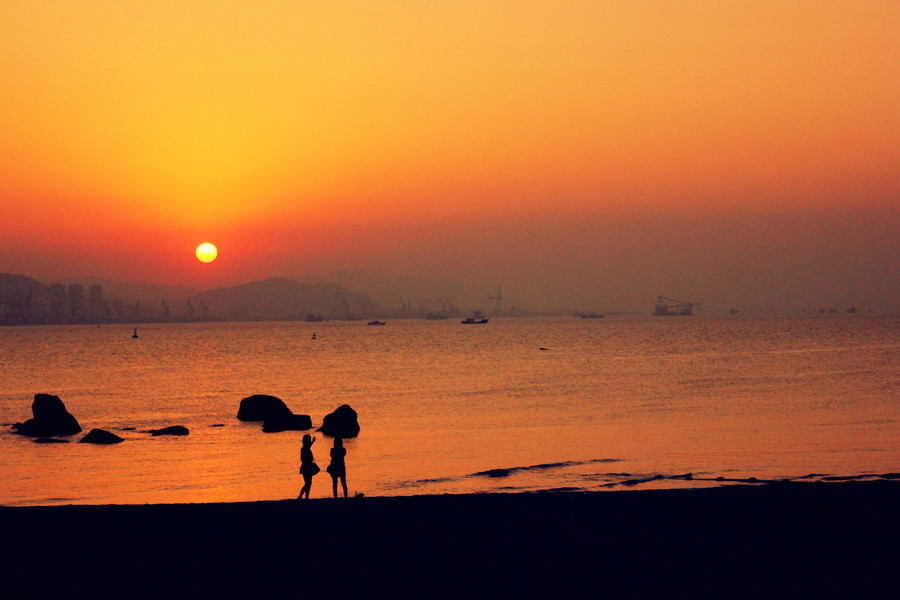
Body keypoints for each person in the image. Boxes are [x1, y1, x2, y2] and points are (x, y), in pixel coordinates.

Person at [298, 434, 318, 499]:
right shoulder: (304, 449)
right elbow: (302, 458)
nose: (309, 441)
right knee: (308, 483)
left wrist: (313, 441)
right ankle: (301, 496)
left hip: (307, 467)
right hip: (306, 467)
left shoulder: (305, 448)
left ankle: (306, 496)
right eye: (308, 440)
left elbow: (308, 446)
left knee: (309, 483)